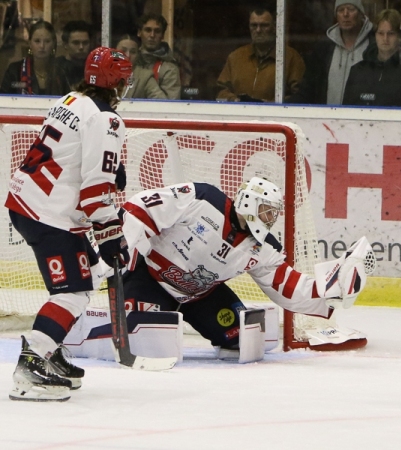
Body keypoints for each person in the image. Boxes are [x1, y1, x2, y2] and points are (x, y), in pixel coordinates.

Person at [5, 46, 133, 402]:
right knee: (73, 292)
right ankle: (32, 362)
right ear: (116, 82)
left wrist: (110, 170)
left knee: (89, 275)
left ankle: (50, 349)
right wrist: (111, 236)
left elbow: (73, 152)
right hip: (50, 215)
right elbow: (95, 194)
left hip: (27, 202)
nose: (126, 85)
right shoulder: (107, 119)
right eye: (124, 78)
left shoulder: (72, 99)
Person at [119, 177, 370, 352]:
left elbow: (286, 286)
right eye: (266, 212)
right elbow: (140, 208)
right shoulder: (202, 198)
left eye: (272, 215)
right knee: (144, 341)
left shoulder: (264, 247)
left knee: (245, 340)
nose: (269, 220)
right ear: (248, 202)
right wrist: (122, 255)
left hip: (201, 296)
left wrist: (329, 292)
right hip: (149, 279)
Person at [287, 0, 374, 105]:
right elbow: (308, 90)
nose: (345, 14)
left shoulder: (374, 47)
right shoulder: (324, 49)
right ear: (336, 15)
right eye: (340, 10)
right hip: (327, 119)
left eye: (351, 9)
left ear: (361, 14)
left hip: (364, 118)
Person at [343, 9, 401, 107]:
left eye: (391, 33)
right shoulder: (358, 71)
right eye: (381, 33)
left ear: (399, 36)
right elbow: (347, 112)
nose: (385, 39)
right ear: (375, 36)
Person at [216, 7, 305, 103]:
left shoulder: (290, 58)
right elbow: (221, 91)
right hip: (240, 115)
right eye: (254, 25)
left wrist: (270, 105)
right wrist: (235, 100)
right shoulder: (235, 57)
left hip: (274, 116)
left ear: (275, 27)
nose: (258, 30)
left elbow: (299, 96)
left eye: (264, 25)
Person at [0, 20, 71, 95]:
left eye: (47, 41)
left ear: (53, 44)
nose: (42, 46)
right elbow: (3, 100)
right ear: (30, 43)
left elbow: (69, 101)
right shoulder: (15, 71)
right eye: (37, 41)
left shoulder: (60, 72)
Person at [130, 13, 181, 100]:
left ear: (162, 36)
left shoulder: (169, 69)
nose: (152, 35)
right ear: (139, 32)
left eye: (157, 31)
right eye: (148, 30)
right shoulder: (131, 60)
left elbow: (171, 107)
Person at [115, 33, 165, 99]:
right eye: (123, 51)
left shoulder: (145, 77)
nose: (128, 55)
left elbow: (161, 102)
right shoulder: (104, 73)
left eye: (133, 52)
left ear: (138, 55)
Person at [55, 20, 93, 89]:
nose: (81, 47)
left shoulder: (94, 68)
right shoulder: (56, 68)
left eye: (85, 43)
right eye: (76, 43)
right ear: (65, 44)